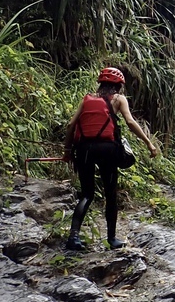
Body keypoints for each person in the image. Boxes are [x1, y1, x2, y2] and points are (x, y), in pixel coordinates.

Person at [63, 67, 159, 251]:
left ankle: (73, 237)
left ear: (101, 83)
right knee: (110, 194)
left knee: (87, 194)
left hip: (83, 149)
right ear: (118, 85)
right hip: (107, 149)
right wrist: (149, 144)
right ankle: (111, 239)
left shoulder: (87, 99)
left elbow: (71, 124)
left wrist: (67, 151)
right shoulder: (118, 99)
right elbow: (130, 122)